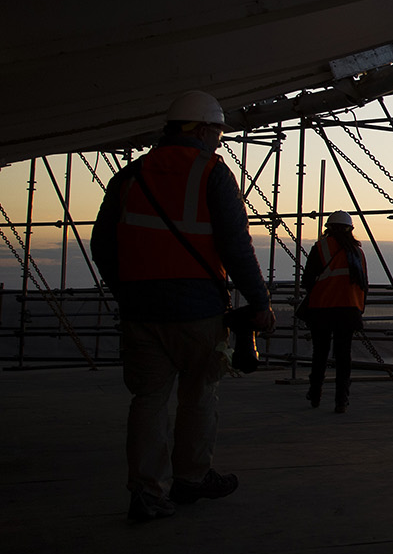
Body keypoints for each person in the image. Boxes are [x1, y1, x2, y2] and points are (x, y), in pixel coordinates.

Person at [92, 90, 278, 522]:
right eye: (216, 131)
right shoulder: (211, 172)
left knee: (149, 400)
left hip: (141, 310)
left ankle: (146, 492)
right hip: (197, 308)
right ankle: (192, 477)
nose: (218, 140)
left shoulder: (130, 175)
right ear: (202, 128)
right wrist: (259, 301)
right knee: (199, 394)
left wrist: (126, 292)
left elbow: (103, 243)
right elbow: (235, 246)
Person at [298, 209, 368, 413]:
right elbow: (364, 284)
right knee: (343, 355)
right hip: (348, 309)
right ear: (350, 229)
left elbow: (307, 280)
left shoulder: (321, 248)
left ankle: (315, 393)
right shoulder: (357, 252)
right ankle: (341, 400)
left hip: (322, 309)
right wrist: (359, 309)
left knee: (320, 353)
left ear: (328, 228)